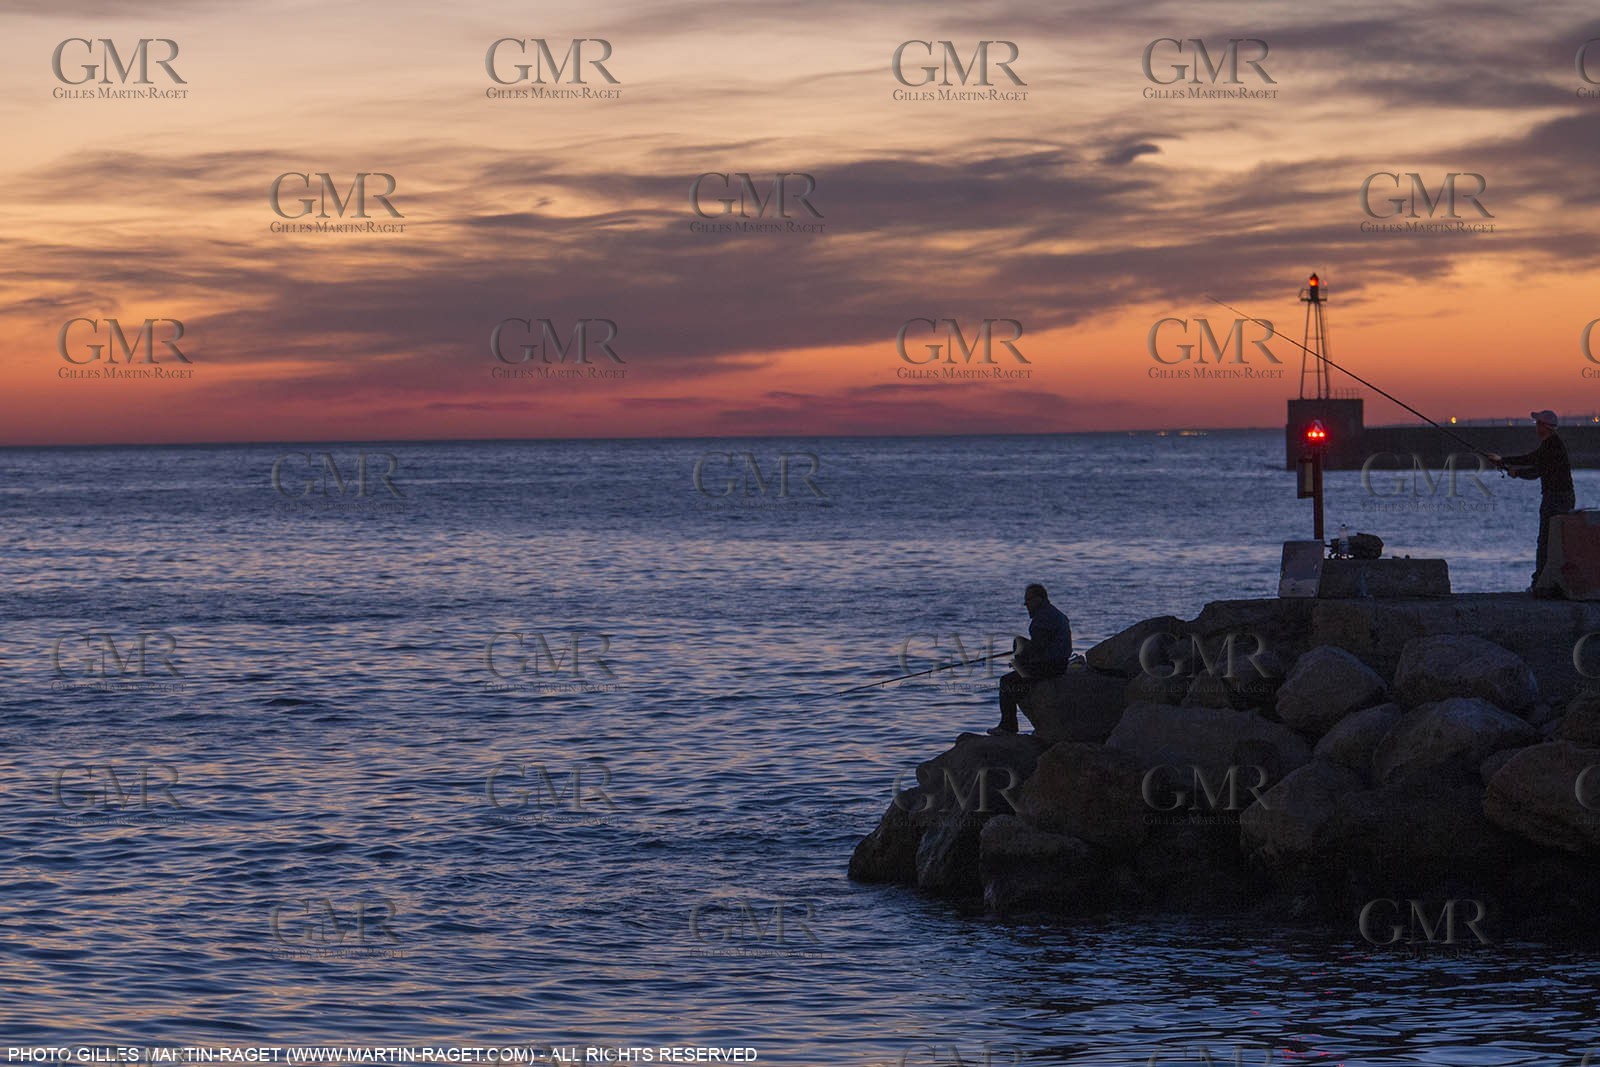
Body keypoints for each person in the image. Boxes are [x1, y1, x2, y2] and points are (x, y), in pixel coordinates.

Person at [1488, 409, 1576, 593]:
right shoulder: (1552, 445)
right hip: (1562, 497)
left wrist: (1508, 466)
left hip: (1555, 498)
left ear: (1545, 427)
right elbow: (1535, 467)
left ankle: (1540, 584)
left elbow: (1533, 466)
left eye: (1537, 424)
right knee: (1553, 540)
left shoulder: (1550, 447)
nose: (1535, 427)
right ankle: (1546, 582)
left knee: (1545, 540)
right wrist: (1505, 463)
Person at [988, 583, 1073, 735]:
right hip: (1059, 664)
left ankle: (1008, 726)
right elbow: (1041, 646)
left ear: (1039, 599)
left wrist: (1020, 661)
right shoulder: (1054, 613)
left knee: (1006, 682)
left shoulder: (1042, 619)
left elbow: (1038, 649)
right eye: (1025, 601)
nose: (1026, 604)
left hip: (1051, 667)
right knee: (1019, 646)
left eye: (1029, 600)